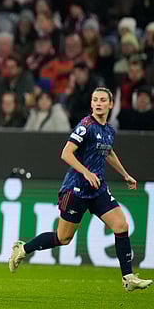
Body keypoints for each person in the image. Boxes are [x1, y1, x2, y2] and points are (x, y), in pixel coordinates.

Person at [9, 87, 153, 292]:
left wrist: (125, 174)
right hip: (76, 189)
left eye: (103, 100)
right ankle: (22, 249)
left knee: (121, 225)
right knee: (63, 238)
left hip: (98, 188)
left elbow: (108, 153)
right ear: (91, 103)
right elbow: (66, 153)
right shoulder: (85, 126)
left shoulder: (109, 130)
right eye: (95, 99)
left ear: (111, 104)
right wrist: (85, 172)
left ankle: (128, 277)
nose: (98, 103)